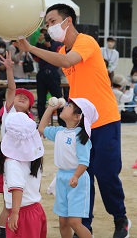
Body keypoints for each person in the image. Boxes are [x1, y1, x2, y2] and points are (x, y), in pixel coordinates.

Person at [14, 3, 130, 237]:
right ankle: (84, 226)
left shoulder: (85, 41)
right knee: (82, 175)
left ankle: (121, 219)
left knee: (106, 173)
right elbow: (61, 61)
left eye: (52, 21)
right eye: (47, 24)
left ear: (68, 21)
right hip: (80, 122)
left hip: (105, 118)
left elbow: (68, 63)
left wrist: (31, 48)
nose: (49, 27)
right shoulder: (61, 52)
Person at [38, 98, 98, 238]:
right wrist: (49, 109)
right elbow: (41, 128)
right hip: (62, 177)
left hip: (77, 180)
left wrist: (76, 176)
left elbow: (84, 161)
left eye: (69, 106)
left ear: (77, 117)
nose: (65, 106)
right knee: (63, 221)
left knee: (74, 222)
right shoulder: (59, 131)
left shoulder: (80, 136)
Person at [0, 52, 36, 238]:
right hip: (9, 163)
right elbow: (11, 89)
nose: (21, 97)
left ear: (29, 109)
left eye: (26, 99)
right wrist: (10, 70)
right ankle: (2, 233)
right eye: (19, 96)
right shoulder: (9, 114)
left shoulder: (29, 123)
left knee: (23, 201)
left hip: (25, 165)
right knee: (8, 204)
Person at [0, 112, 46, 237]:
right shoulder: (35, 158)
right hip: (36, 210)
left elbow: (17, 188)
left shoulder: (12, 162)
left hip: (22, 213)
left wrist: (14, 213)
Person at [35, 27, 65, 127]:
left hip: (53, 73)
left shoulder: (58, 43)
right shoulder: (40, 45)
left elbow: (58, 56)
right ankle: (42, 122)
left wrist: (49, 46)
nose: (46, 36)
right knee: (41, 101)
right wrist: (39, 43)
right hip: (42, 73)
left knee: (59, 99)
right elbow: (35, 56)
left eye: (47, 34)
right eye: (43, 34)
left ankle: (62, 122)